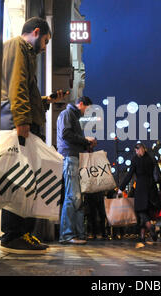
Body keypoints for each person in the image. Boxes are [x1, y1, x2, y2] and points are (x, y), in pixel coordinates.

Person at [0, 17, 67, 254]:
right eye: (45, 41)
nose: (45, 47)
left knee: (26, 180)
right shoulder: (20, 47)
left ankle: (21, 233)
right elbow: (17, 86)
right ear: (37, 32)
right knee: (21, 180)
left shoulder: (22, 50)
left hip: (19, 121)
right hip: (17, 123)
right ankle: (13, 235)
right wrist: (22, 120)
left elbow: (23, 90)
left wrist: (47, 100)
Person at [57, 96, 96, 245]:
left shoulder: (71, 115)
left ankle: (77, 233)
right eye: (88, 108)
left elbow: (69, 136)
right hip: (70, 157)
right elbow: (66, 135)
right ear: (81, 104)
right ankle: (67, 235)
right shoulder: (67, 114)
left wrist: (86, 144)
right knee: (72, 197)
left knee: (76, 197)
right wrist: (85, 141)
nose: (88, 112)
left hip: (73, 157)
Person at [119, 143, 161, 245]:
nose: (138, 152)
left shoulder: (135, 159)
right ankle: (142, 235)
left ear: (143, 149)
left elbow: (129, 174)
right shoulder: (152, 158)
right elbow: (158, 173)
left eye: (138, 150)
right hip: (151, 186)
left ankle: (149, 226)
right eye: (136, 151)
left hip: (141, 187)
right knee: (146, 211)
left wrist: (121, 188)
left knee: (140, 210)